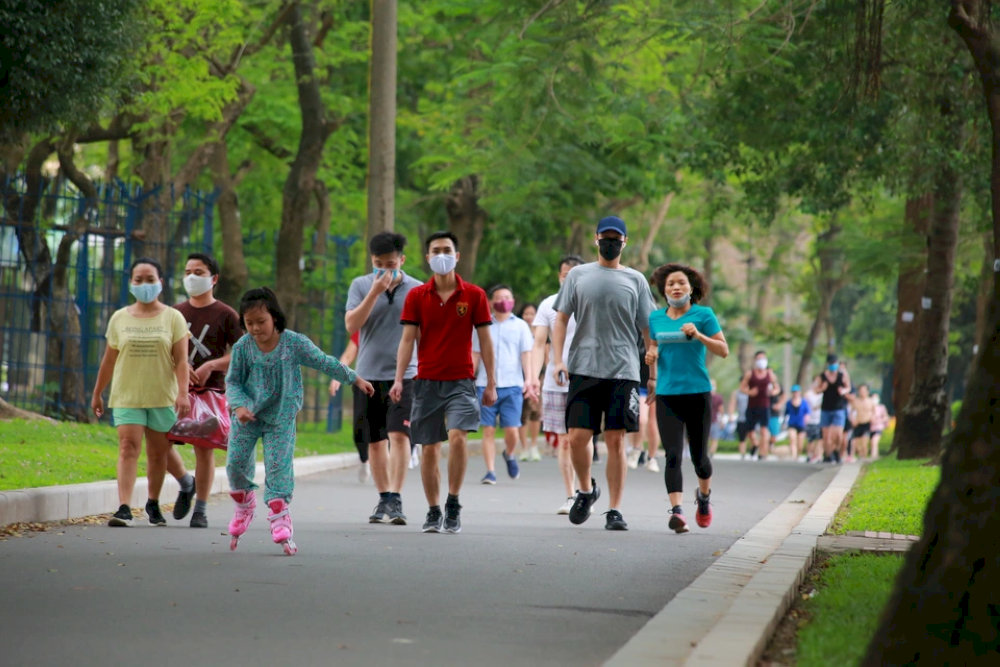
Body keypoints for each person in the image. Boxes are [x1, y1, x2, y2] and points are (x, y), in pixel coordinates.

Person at [226, 287, 374, 555]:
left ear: (275, 317)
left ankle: (280, 516)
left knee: (278, 465)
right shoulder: (243, 347)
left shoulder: (293, 343)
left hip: (280, 416)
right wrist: (238, 406)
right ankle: (244, 505)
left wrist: (354, 378)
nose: (256, 328)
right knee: (235, 462)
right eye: (249, 323)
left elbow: (324, 362)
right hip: (246, 415)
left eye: (261, 321)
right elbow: (233, 382)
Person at [550, 216, 656, 531]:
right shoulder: (578, 275)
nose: (610, 243)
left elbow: (648, 328)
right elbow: (561, 318)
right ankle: (585, 490)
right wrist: (558, 360)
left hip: (623, 370)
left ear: (624, 242)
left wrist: (652, 373)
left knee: (615, 439)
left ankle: (615, 509)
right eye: (605, 237)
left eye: (616, 239)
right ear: (596, 239)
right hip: (583, 367)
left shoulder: (636, 280)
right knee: (577, 437)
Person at [391, 231, 497, 534]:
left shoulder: (474, 295)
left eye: (447, 250)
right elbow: (407, 340)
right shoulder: (416, 296)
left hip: (461, 381)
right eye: (435, 250)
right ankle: (433, 509)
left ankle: (453, 502)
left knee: (459, 437)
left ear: (457, 256)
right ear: (427, 258)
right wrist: (399, 379)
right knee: (429, 448)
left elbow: (486, 341)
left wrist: (491, 382)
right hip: (426, 382)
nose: (441, 255)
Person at [91, 257, 191, 527]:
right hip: (127, 395)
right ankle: (124, 507)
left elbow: (181, 361)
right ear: (131, 283)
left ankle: (153, 503)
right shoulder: (119, 318)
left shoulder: (174, 318)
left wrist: (183, 393)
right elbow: (109, 359)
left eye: (150, 279)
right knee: (128, 447)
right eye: (139, 279)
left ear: (161, 282)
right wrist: (98, 392)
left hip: (162, 396)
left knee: (158, 454)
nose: (144, 284)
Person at [341, 232, 423, 525]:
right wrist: (374, 292)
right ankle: (384, 496)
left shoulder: (418, 289)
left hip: (406, 375)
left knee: (400, 435)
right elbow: (351, 324)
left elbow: (424, 333)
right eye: (378, 264)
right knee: (375, 440)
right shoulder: (361, 285)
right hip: (368, 375)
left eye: (390, 264)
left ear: (402, 260)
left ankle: (396, 497)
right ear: (371, 261)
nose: (385, 270)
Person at [646, 263, 729, 533]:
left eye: (681, 283)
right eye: (670, 284)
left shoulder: (703, 315)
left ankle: (703, 498)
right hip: (667, 394)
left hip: (697, 393)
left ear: (691, 288)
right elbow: (654, 347)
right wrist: (651, 357)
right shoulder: (656, 318)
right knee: (672, 454)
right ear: (664, 290)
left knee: (699, 458)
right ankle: (677, 512)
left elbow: (723, 350)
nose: (676, 287)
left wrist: (699, 335)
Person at [168, 252, 242, 527]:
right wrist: (179, 367)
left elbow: (243, 352)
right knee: (159, 442)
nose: (191, 277)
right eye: (188, 272)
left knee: (204, 448)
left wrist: (212, 365)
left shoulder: (226, 314)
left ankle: (200, 508)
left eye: (198, 273)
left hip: (211, 392)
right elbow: (163, 349)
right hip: (175, 390)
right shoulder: (174, 312)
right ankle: (185, 483)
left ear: (214, 279)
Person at [532, 254, 583, 514]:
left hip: (586, 379)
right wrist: (533, 377)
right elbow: (539, 344)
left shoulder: (590, 304)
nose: (569, 279)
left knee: (580, 438)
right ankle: (571, 495)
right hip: (556, 382)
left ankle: (584, 490)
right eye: (565, 275)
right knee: (564, 440)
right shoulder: (548, 304)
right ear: (559, 276)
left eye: (575, 274)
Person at [473, 284, 537, 484]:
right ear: (491, 302)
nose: (504, 301)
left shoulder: (520, 326)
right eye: (500, 298)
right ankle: (490, 471)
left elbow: (526, 355)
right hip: (485, 385)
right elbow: (475, 353)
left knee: (512, 430)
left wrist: (529, 379)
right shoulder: (482, 325)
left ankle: (509, 453)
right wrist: (469, 377)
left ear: (513, 301)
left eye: (507, 297)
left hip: (512, 385)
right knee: (488, 430)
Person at [328, 331, 371, 482]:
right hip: (364, 382)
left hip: (390, 382)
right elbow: (347, 356)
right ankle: (364, 460)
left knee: (386, 430)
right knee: (359, 428)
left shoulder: (399, 327)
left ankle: (388, 474)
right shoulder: (363, 329)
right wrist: (337, 377)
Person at [739, 351, 778, 460]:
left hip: (765, 406)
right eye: (759, 359)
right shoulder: (750, 374)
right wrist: (749, 392)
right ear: (755, 360)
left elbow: (777, 388)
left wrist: (772, 392)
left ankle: (762, 453)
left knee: (764, 430)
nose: (761, 361)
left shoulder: (770, 374)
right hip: (752, 406)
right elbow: (742, 388)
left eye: (763, 358)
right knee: (750, 432)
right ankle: (755, 444)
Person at [516, 303, 543, 462]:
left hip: (539, 376)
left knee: (536, 411)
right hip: (520, 376)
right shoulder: (518, 330)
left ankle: (534, 445)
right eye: (526, 313)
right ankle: (524, 446)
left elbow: (546, 354)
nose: (529, 317)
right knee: (522, 412)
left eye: (532, 313)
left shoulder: (541, 332)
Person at [816, 354, 850, 463]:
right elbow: (815, 389)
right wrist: (822, 388)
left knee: (838, 434)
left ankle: (836, 451)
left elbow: (848, 387)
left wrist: (843, 391)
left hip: (839, 408)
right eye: (831, 363)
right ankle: (828, 455)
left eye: (834, 363)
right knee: (826, 436)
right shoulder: (822, 376)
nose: (833, 365)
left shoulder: (842, 375)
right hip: (826, 408)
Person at [847, 383, 875, 460]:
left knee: (864, 442)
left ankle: (864, 457)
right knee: (856, 443)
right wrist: (852, 420)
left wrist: (872, 418)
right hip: (857, 423)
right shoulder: (855, 401)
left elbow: (874, 412)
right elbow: (851, 412)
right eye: (861, 391)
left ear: (867, 392)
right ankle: (857, 455)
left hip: (866, 423)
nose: (862, 392)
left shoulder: (870, 401)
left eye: (864, 391)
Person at [784, 384, 810, 461]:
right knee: (792, 439)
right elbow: (786, 413)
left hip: (801, 424)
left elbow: (807, 413)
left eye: (796, 392)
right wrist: (784, 423)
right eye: (794, 392)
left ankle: (798, 454)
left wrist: (806, 420)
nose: (795, 393)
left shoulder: (804, 402)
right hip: (792, 423)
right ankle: (794, 456)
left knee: (800, 443)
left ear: (799, 392)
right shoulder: (788, 403)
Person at [729, 385, 753, 460]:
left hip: (752, 419)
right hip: (741, 419)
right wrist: (731, 415)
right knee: (742, 438)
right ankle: (743, 455)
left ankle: (753, 452)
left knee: (752, 436)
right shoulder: (737, 393)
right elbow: (732, 404)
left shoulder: (753, 391)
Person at [804, 377, 824, 462]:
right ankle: (810, 455)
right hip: (811, 420)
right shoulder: (808, 394)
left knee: (820, 439)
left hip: (821, 420)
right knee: (810, 439)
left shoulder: (823, 394)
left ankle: (819, 455)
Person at [708, 380, 725, 458]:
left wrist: (722, 421)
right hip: (704, 421)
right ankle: (705, 453)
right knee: (705, 438)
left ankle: (711, 454)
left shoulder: (718, 397)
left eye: (713, 385)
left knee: (714, 438)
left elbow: (721, 410)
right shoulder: (704, 396)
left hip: (714, 421)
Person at [869, 392, 889, 459]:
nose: (874, 400)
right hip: (870, 428)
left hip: (878, 427)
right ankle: (876, 457)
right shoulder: (869, 407)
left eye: (876, 398)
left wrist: (880, 421)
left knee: (874, 441)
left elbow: (886, 417)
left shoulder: (881, 407)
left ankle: (873, 457)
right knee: (873, 443)